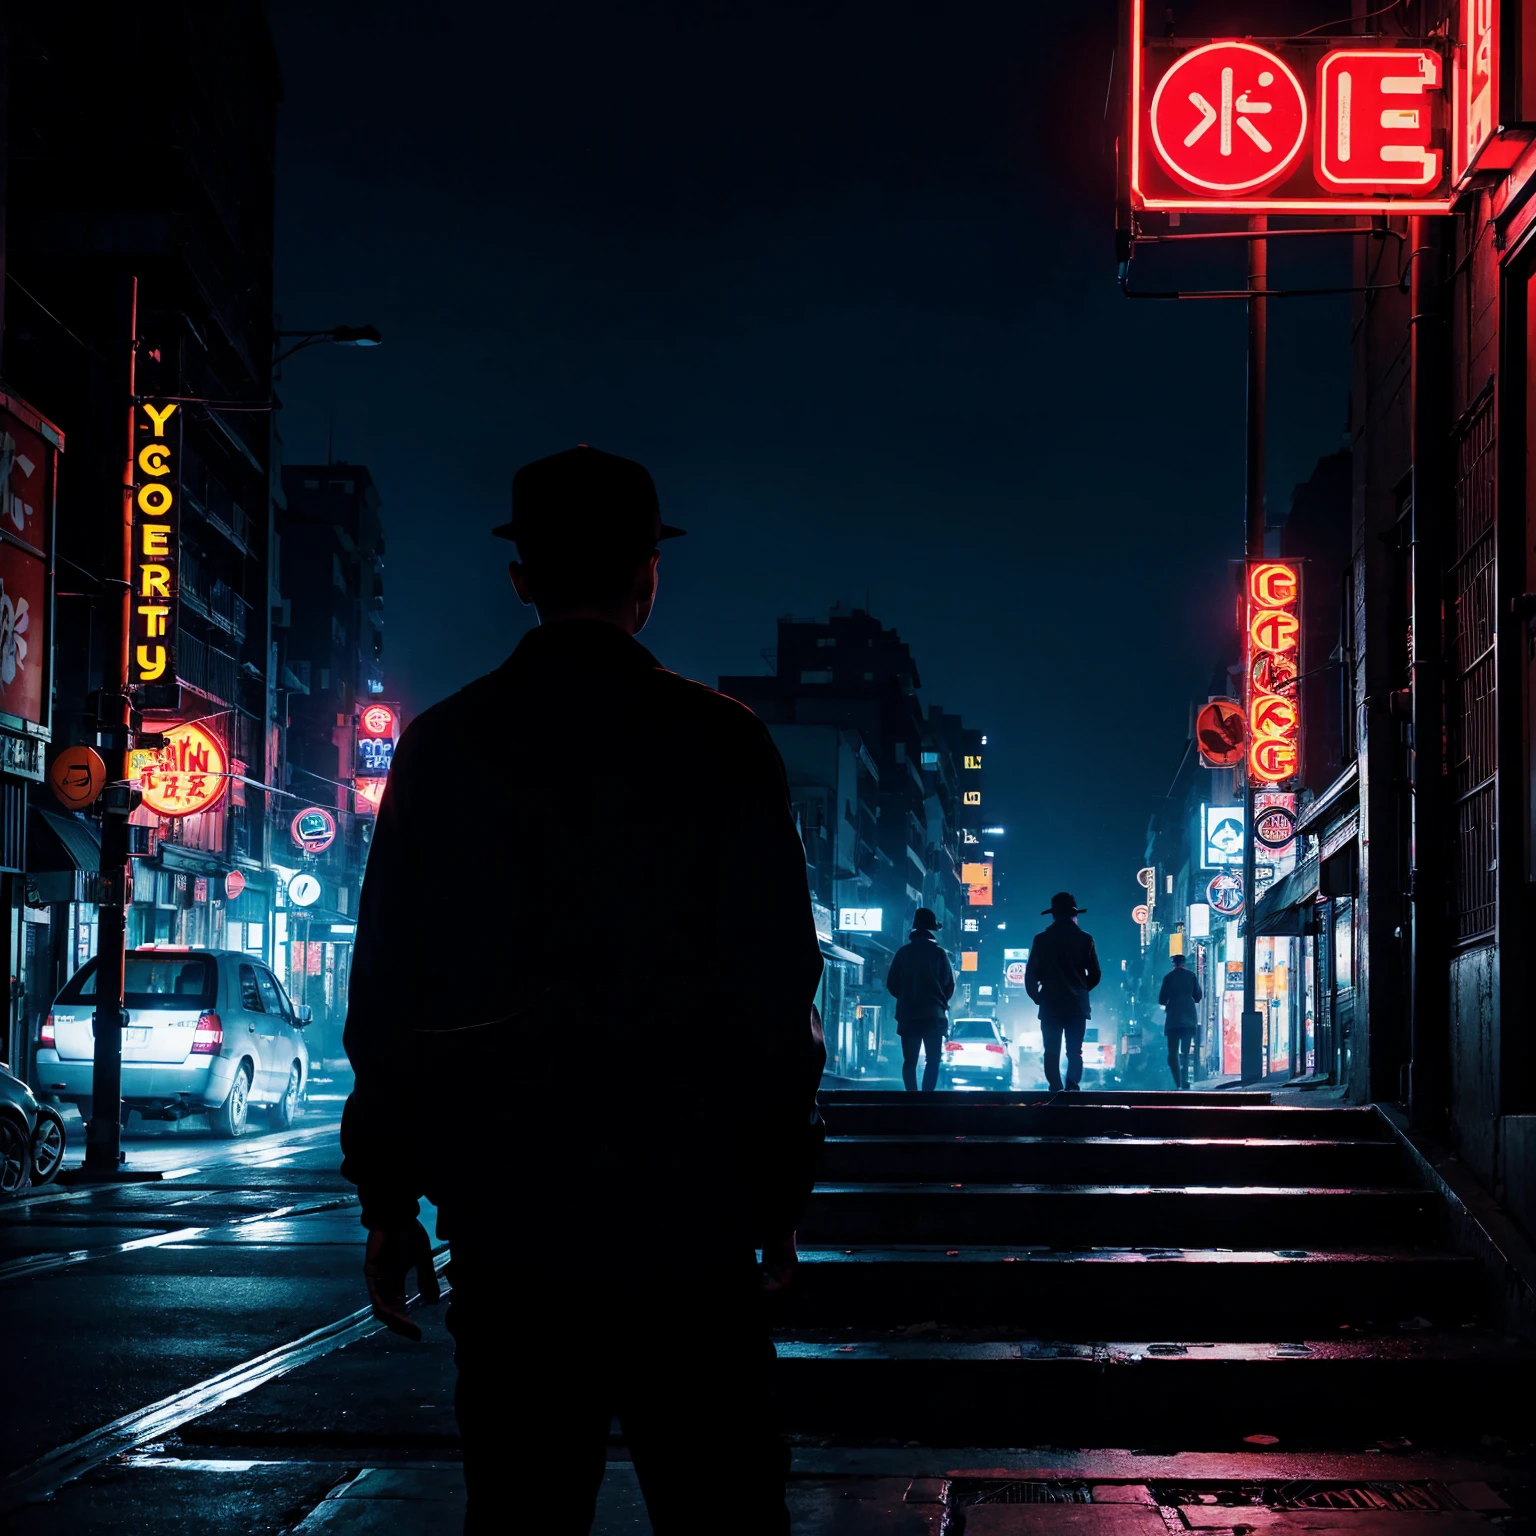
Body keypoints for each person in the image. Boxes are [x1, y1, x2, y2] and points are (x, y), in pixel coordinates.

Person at [339, 445, 826, 1536]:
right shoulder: (723, 744)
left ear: (523, 577)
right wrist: (777, 1198)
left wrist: (388, 1202)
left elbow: (387, 1000)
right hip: (687, 1207)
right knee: (722, 1507)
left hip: (510, 1210)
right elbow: (777, 986)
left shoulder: (446, 748)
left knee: (519, 1506)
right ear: (650, 575)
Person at [1024, 892, 1102, 1092]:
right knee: (1075, 1051)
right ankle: (1072, 1084)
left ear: (1053, 915)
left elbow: (1031, 974)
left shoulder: (1041, 940)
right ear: (1073, 915)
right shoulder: (1085, 939)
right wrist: (1082, 989)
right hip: (1077, 1006)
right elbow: (1095, 973)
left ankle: (1055, 1086)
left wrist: (1037, 997)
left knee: (1051, 1051)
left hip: (1050, 1004)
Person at [885, 907, 956, 1092]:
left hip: (908, 1014)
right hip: (933, 1014)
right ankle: (927, 1098)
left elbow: (892, 984)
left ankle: (912, 1096)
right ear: (932, 930)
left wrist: (906, 996)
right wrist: (939, 1002)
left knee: (910, 1060)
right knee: (933, 1060)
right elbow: (949, 985)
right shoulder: (939, 954)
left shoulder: (903, 953)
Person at [1158, 951, 1203, 1089]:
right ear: (1184, 963)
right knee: (1185, 1052)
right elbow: (1198, 996)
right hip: (1189, 1018)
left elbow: (1161, 999)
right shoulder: (1191, 976)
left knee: (1172, 1053)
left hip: (1173, 1020)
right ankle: (1184, 1080)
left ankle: (1178, 1081)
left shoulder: (1168, 977)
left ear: (1173, 964)